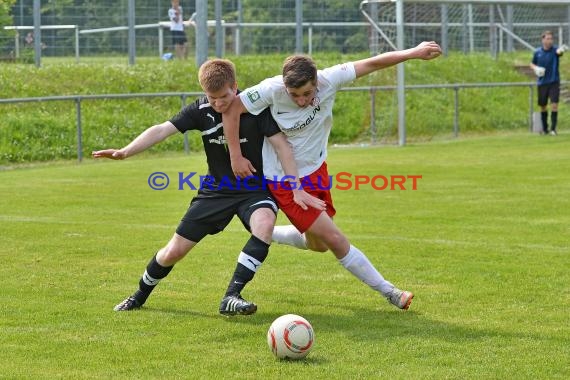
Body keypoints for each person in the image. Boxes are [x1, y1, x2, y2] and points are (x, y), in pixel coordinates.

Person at [222, 41, 442, 310]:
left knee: (319, 245)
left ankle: (271, 234)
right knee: (336, 240)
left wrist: (413, 53)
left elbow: (372, 63)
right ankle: (391, 292)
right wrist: (235, 155)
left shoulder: (330, 79)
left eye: (307, 93)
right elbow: (232, 109)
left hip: (317, 172)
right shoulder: (271, 89)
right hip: (284, 181)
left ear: (317, 81)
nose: (302, 101)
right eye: (295, 95)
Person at [92, 59, 324, 314]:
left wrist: (295, 186)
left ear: (235, 87)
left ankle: (232, 296)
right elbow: (162, 130)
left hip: (254, 189)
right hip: (216, 190)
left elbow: (281, 145)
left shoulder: (255, 107)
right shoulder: (200, 110)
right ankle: (138, 296)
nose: (218, 103)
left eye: (223, 96)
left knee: (264, 224)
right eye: (211, 98)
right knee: (173, 252)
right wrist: (125, 152)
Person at [530, 30, 567, 136]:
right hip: (542, 83)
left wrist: (562, 50)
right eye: (547, 38)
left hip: (554, 82)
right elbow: (531, 64)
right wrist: (536, 68)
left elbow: (559, 52)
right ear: (543, 39)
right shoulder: (537, 52)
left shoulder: (555, 50)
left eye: (551, 39)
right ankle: (545, 129)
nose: (550, 41)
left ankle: (553, 129)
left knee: (554, 105)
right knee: (543, 106)